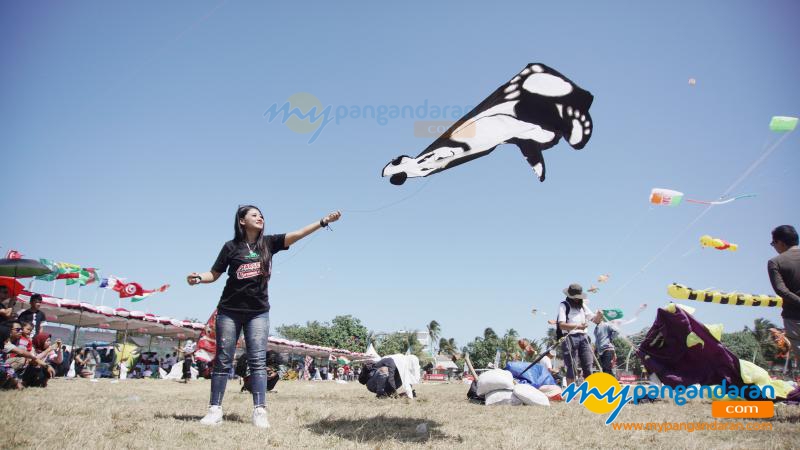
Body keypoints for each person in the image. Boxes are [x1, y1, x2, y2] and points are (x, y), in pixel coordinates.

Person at [187, 205, 341, 428]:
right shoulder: (231, 247)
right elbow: (214, 273)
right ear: (242, 221)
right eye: (254, 215)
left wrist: (323, 221)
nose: (260, 217)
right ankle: (215, 410)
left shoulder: (268, 243)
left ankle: (259, 411)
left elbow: (297, 234)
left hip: (258, 313)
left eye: (261, 215)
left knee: (258, 361)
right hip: (228, 311)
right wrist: (199, 277)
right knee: (222, 359)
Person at [767, 225, 800, 370]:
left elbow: (781, 289)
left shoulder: (776, 262)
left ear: (781, 242)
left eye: (773, 243)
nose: (774, 247)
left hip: (794, 317)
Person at [556, 283, 594, 385]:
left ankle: (590, 393)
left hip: (584, 337)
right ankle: (570, 393)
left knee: (588, 365)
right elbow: (562, 325)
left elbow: (594, 319)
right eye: (575, 297)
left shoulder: (583, 306)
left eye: (578, 297)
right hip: (569, 337)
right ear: (569, 296)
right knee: (571, 366)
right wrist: (578, 326)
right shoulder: (563, 305)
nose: (577, 299)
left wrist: (600, 315)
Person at [592, 311, 619, 375]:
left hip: (607, 349)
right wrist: (595, 349)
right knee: (606, 369)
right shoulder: (596, 329)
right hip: (601, 351)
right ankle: (613, 383)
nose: (593, 319)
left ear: (600, 317)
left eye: (594, 317)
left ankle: (608, 384)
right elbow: (597, 340)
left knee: (606, 368)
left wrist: (610, 338)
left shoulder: (606, 324)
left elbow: (617, 331)